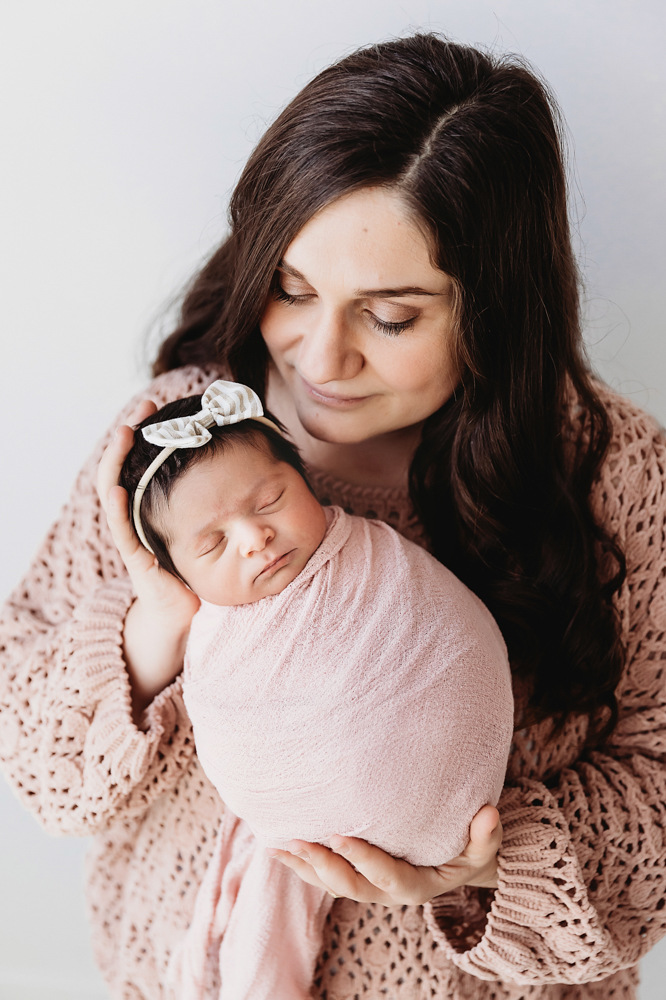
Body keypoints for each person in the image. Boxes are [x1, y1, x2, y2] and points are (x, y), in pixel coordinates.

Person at [1, 31, 665, 1000]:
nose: (321, 356)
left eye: (390, 316)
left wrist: (489, 861)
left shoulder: (612, 477)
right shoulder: (176, 443)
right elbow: (33, 748)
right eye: (292, 288)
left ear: (494, 309)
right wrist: (150, 636)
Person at [119, 379, 513, 999]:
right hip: (290, 850)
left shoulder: (374, 560)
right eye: (213, 544)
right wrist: (160, 619)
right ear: (175, 569)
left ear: (305, 480)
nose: (255, 538)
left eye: (271, 500)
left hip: (466, 830)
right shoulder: (212, 632)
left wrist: (495, 865)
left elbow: (449, 645)